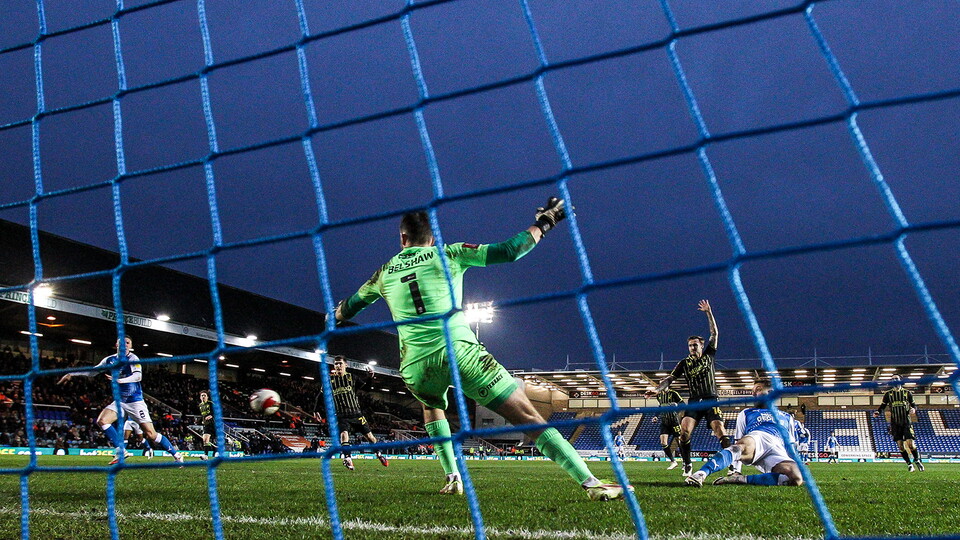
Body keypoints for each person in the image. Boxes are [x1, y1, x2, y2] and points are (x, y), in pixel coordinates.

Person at [333, 199, 631, 500]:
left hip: (415, 366)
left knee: (430, 405)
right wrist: (545, 222)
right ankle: (590, 482)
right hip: (460, 352)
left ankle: (452, 477)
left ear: (402, 239)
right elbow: (510, 250)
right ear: (432, 239)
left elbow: (348, 307)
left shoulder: (384, 272)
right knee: (528, 416)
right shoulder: (448, 252)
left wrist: (335, 315)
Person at [57, 337, 183, 465]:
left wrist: (119, 380)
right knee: (102, 420)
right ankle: (121, 450)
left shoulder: (133, 359)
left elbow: (138, 376)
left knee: (151, 435)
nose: (125, 345)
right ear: (116, 344)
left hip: (135, 402)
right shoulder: (110, 360)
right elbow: (92, 372)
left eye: (128, 343)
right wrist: (72, 374)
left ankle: (176, 454)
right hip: (120, 402)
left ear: (130, 346)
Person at [646, 300, 730, 477]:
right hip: (693, 403)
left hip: (710, 399)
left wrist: (709, 312)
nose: (692, 347)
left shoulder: (709, 355)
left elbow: (714, 333)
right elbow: (670, 378)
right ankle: (687, 464)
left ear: (701, 345)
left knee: (720, 431)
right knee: (684, 432)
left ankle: (732, 464)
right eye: (690, 345)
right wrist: (657, 389)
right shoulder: (684, 363)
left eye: (695, 345)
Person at [685, 381, 804, 487]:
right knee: (740, 447)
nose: (753, 394)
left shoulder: (787, 417)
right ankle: (701, 473)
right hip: (758, 439)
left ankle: (742, 479)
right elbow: (738, 442)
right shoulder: (746, 413)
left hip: (778, 449)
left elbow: (791, 445)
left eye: (757, 389)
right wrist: (736, 469)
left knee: (796, 478)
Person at [316, 355, 388, 470]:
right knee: (344, 435)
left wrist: (370, 378)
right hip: (341, 415)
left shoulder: (352, 378)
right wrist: (316, 410)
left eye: (340, 363)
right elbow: (320, 396)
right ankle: (348, 459)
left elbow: (367, 389)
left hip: (356, 413)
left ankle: (379, 454)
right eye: (336, 364)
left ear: (346, 365)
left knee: (370, 437)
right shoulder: (330, 381)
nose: (338, 366)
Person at [874, 375, 924, 472]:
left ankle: (917, 460)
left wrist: (913, 409)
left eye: (896, 378)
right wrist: (878, 412)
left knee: (911, 444)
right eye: (892, 379)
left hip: (906, 422)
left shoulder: (907, 393)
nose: (894, 380)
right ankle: (909, 464)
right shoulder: (888, 394)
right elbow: (882, 406)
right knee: (900, 446)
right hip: (895, 423)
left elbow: (914, 405)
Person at [654, 387, 684, 470]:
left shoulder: (674, 393)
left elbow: (683, 404)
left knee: (679, 441)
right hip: (664, 422)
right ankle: (673, 461)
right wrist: (656, 416)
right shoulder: (659, 395)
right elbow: (660, 406)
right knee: (663, 442)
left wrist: (676, 407)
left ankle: (685, 462)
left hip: (674, 421)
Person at [198, 391, 216, 459]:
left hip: (213, 423)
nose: (203, 397)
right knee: (205, 439)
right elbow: (203, 415)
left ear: (207, 397)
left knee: (211, 439)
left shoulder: (210, 403)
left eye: (204, 395)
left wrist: (211, 415)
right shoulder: (200, 405)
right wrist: (199, 421)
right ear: (200, 397)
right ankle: (206, 455)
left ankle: (229, 441)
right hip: (206, 424)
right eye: (202, 395)